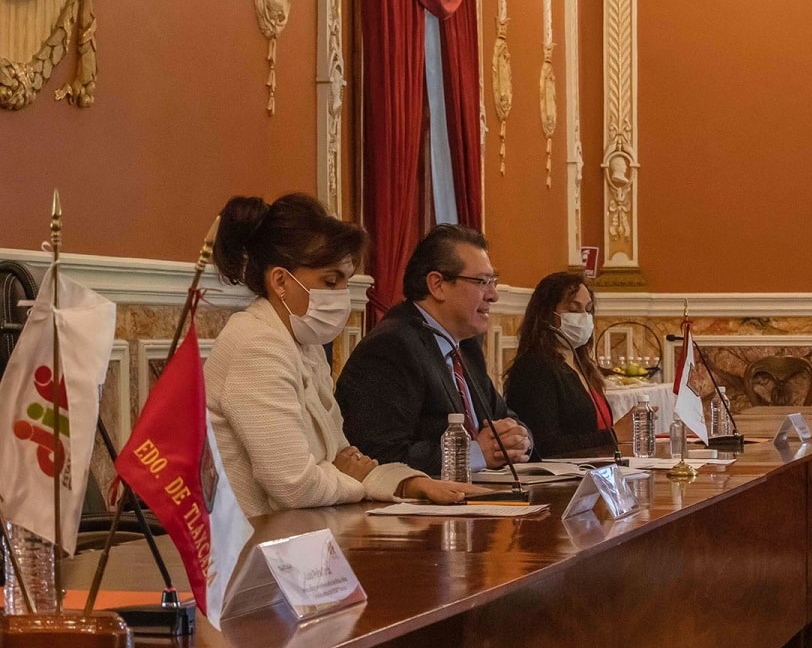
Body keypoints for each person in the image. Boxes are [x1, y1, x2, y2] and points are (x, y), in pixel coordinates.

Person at [205, 194, 477, 516]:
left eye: (345, 283)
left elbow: (346, 456)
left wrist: (411, 484)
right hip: (253, 547)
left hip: (306, 533)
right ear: (280, 280)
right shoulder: (256, 345)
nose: (341, 296)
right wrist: (354, 480)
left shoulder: (304, 344)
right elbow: (295, 484)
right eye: (330, 281)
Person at [337, 224, 532, 476]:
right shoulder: (391, 346)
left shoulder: (466, 346)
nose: (493, 295)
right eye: (482, 282)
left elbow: (507, 419)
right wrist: (474, 454)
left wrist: (518, 439)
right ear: (437, 284)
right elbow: (379, 455)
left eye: (493, 281)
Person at [504, 272, 622, 459]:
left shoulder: (582, 364)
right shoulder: (535, 367)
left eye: (588, 310)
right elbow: (543, 444)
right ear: (546, 314)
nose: (583, 317)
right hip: (558, 482)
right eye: (574, 310)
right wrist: (614, 435)